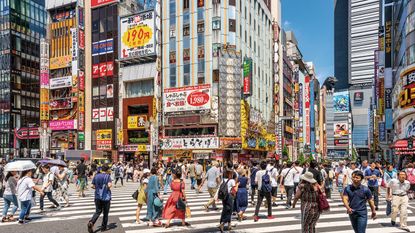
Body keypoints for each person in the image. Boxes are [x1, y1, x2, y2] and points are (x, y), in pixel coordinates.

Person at [87, 164, 112, 233]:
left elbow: (92, 186)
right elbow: (110, 185)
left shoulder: (96, 176)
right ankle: (103, 227)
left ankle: (91, 222)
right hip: (106, 197)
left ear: (101, 169)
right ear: (107, 170)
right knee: (105, 213)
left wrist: (98, 188)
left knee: (98, 211)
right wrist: (106, 187)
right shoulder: (108, 176)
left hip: (97, 196)